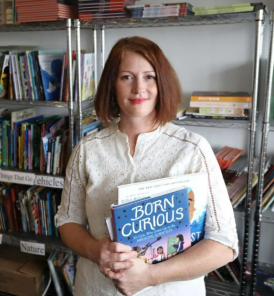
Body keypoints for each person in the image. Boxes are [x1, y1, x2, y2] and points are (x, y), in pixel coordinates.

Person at [56, 36, 238, 296]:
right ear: (112, 86)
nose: (138, 88)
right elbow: (68, 221)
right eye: (126, 77)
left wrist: (150, 276)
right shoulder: (87, 149)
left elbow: (224, 243)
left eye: (149, 77)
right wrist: (96, 251)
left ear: (162, 83)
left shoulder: (193, 149)